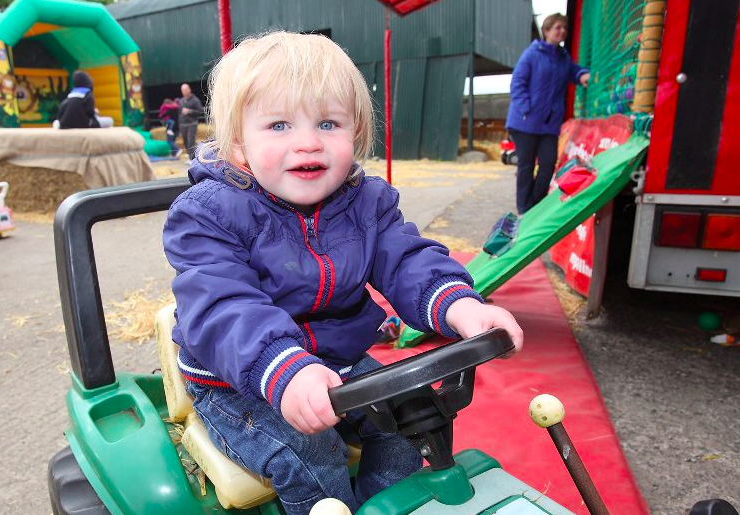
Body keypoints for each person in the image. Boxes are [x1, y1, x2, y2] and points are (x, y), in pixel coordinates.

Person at [163, 31, 524, 515]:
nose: (308, 142)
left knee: (414, 426)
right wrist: (285, 370)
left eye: (328, 122)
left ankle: (382, 507)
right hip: (243, 378)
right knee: (314, 456)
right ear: (237, 145)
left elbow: (406, 259)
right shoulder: (206, 215)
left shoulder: (366, 201)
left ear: (355, 133)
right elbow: (224, 306)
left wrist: (461, 306)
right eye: (278, 125)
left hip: (341, 364)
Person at [505, 13, 590, 214]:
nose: (562, 31)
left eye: (564, 28)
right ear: (546, 31)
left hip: (549, 123)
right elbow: (517, 84)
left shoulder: (563, 57)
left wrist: (582, 75)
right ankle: (524, 209)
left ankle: (536, 205)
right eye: (557, 27)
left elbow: (573, 71)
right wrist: (527, 109)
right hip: (525, 121)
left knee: (548, 163)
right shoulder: (532, 54)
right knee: (526, 165)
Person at [178, 83, 203, 161]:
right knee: (185, 143)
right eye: (182, 90)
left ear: (189, 89)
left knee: (190, 142)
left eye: (185, 89)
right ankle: (191, 158)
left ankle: (192, 160)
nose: (184, 91)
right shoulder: (181, 101)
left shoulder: (195, 100)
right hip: (182, 124)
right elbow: (179, 112)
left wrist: (190, 111)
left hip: (191, 124)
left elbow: (201, 111)